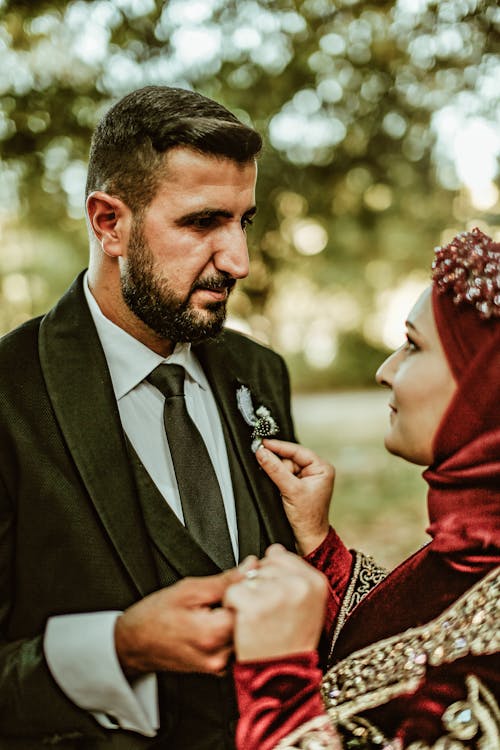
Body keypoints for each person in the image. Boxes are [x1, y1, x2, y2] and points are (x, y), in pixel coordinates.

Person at [0, 85, 297, 748]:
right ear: (110, 223)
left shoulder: (260, 373)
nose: (238, 261)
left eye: (243, 221)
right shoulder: (8, 394)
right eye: (201, 223)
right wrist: (118, 648)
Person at [224, 227, 500, 749]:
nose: (385, 371)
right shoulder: (475, 544)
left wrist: (276, 677)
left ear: (485, 387)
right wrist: (323, 550)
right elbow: (419, 636)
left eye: (413, 346)